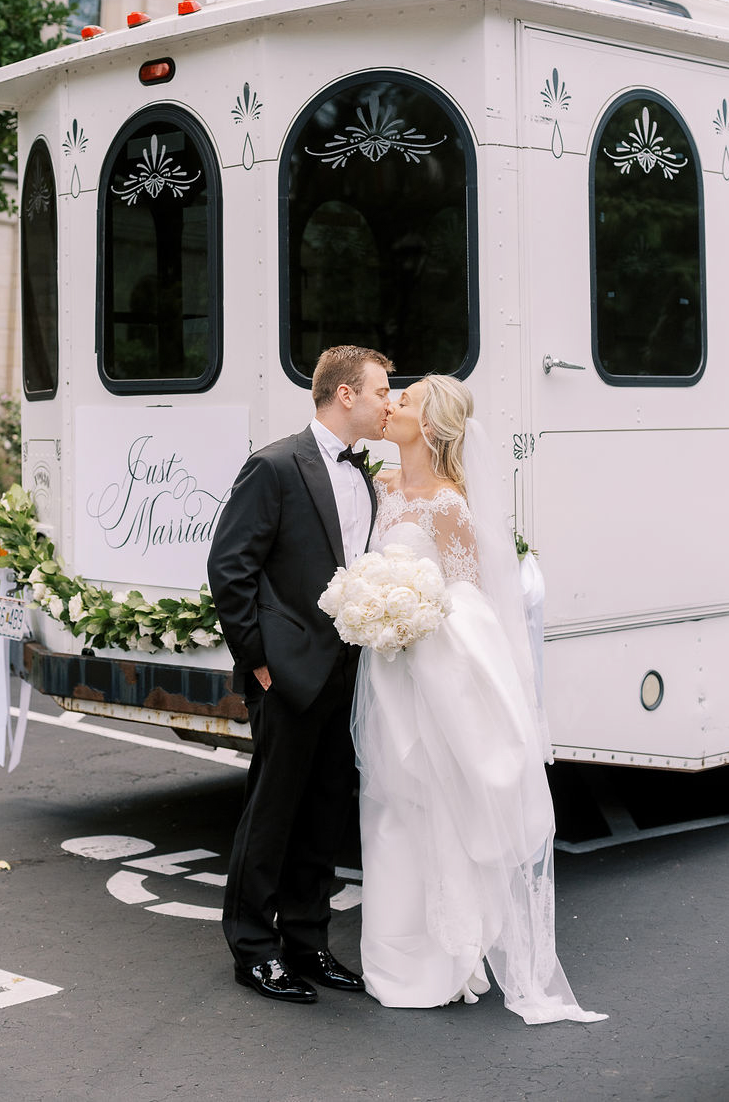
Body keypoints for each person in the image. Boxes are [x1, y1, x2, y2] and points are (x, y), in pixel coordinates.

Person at [353, 374, 607, 1025]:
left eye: (403, 400)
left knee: (439, 807)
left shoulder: (449, 505)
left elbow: (471, 599)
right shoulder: (381, 486)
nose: (391, 404)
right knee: (391, 807)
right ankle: (395, 955)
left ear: (429, 425)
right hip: (388, 672)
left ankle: (453, 952)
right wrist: (374, 610)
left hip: (435, 671)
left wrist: (414, 619)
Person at [208, 344, 393, 1003]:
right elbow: (230, 567)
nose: (386, 402)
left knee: (323, 813)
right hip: (284, 672)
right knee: (273, 811)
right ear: (345, 393)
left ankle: (307, 940)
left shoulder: (365, 473)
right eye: (379, 390)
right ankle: (253, 946)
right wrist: (257, 660)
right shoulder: (275, 465)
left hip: (346, 670)